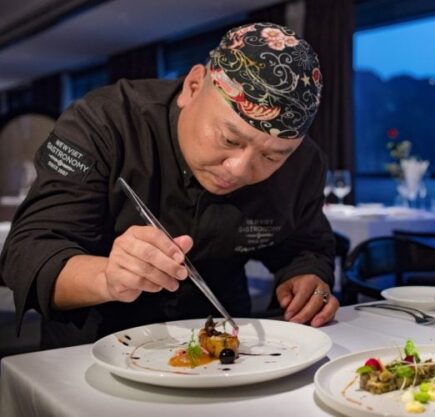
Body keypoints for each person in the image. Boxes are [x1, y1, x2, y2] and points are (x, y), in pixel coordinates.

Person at [0, 22, 339, 349]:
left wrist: (307, 278)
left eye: (271, 157)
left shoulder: (302, 163)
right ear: (193, 86)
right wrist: (108, 277)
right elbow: (28, 251)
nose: (239, 169)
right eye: (229, 139)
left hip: (229, 350)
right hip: (92, 349)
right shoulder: (105, 123)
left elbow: (306, 245)